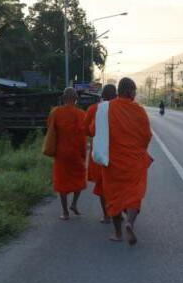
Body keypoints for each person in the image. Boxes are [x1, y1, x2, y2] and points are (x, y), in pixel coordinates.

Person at [91, 78, 153, 245]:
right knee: (134, 194)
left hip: (112, 161)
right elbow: (147, 135)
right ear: (131, 92)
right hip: (134, 161)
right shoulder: (139, 110)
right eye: (134, 91)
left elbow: (93, 130)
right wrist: (139, 149)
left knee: (114, 196)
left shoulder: (105, 109)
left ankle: (118, 234)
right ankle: (130, 223)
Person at [49, 87, 87, 220]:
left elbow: (51, 131)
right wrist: (84, 153)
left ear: (63, 98)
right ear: (76, 99)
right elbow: (84, 137)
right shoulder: (82, 114)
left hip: (61, 153)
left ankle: (65, 212)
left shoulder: (55, 112)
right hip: (76, 152)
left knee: (62, 181)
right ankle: (74, 204)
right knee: (79, 178)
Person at [84, 84, 117, 224]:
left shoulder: (94, 109)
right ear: (116, 95)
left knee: (103, 184)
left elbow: (88, 130)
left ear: (102, 95)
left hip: (100, 151)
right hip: (117, 152)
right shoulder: (120, 109)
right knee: (116, 185)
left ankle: (107, 215)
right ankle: (117, 212)